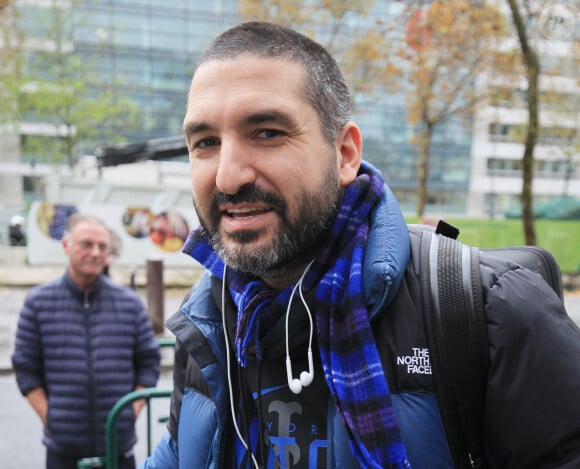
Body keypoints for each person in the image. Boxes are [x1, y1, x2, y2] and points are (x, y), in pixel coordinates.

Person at [141, 22, 580, 469]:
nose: (228, 177)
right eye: (206, 143)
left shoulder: (494, 311)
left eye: (267, 132)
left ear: (345, 153)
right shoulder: (208, 321)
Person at [12, 213, 161, 469]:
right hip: (63, 454)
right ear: (66, 245)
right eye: (86, 244)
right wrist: (52, 419)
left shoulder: (130, 304)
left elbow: (148, 363)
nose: (95, 252)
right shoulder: (39, 303)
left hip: (118, 451)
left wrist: (129, 413)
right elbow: (26, 369)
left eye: (102, 246)